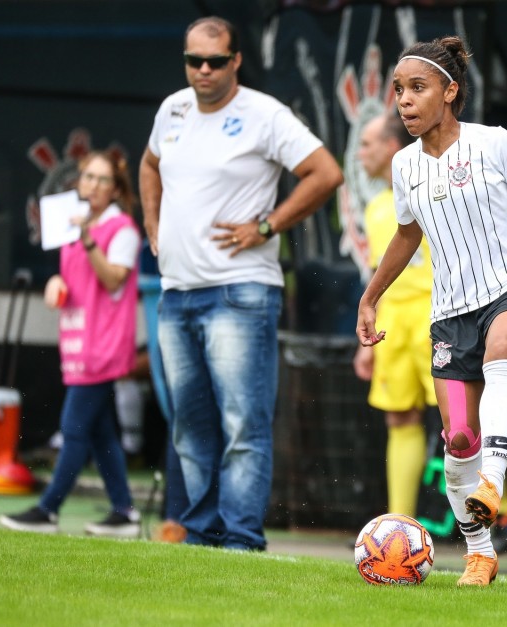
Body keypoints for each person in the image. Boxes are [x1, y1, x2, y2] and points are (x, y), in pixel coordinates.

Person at [355, 36, 507, 586]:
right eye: (398, 90)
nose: (404, 100)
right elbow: (405, 236)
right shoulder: (403, 166)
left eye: (417, 88)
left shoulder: (494, 143)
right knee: (457, 440)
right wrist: (370, 297)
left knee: (500, 350)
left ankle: (494, 480)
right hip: (449, 313)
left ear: (451, 91)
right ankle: (480, 552)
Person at [138, 16, 343, 551]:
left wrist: (268, 225)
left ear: (235, 61)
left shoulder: (263, 113)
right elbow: (149, 164)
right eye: (193, 61)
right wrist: (152, 224)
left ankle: (242, 538)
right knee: (189, 425)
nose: (202, 71)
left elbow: (325, 172)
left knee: (241, 425)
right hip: (177, 291)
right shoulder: (173, 109)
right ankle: (200, 532)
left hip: (241, 291)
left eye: (214, 61)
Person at [1, 151, 142, 537]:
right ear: (78, 182)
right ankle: (124, 513)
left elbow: (114, 279)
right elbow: (69, 281)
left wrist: (88, 240)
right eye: (89, 178)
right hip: (77, 341)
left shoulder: (123, 228)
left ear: (115, 189)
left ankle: (48, 509)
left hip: (104, 345)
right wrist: (55, 286)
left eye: (102, 180)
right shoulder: (71, 228)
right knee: (100, 432)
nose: (93, 186)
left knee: (74, 427)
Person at [352, 112, 434, 518]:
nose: (359, 154)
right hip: (392, 324)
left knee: (461, 417)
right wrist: (367, 341)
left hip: (436, 316)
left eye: (366, 145)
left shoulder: (433, 187)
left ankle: (499, 508)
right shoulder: (377, 207)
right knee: (400, 417)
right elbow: (376, 278)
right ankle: (401, 521)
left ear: (389, 147)